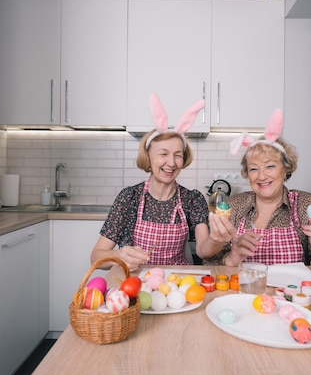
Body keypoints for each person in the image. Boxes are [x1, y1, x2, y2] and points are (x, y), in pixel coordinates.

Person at [90, 94, 226, 271]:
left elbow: (202, 251)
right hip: (135, 282)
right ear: (148, 156)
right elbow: (96, 256)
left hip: (176, 283)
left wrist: (217, 240)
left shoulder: (192, 199)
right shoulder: (129, 197)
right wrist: (118, 255)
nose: (171, 163)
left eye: (178, 155)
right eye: (163, 154)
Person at [199, 110, 311, 268]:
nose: (261, 176)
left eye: (270, 166)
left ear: (286, 169)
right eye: (254, 169)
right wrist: (231, 258)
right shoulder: (233, 205)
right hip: (246, 291)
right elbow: (209, 264)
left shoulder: (305, 204)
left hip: (290, 292)